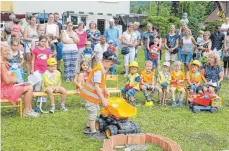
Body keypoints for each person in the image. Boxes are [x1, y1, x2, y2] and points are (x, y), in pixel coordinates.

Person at [80, 50, 117, 139]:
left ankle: (88, 127)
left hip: (92, 96)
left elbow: (101, 83)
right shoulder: (98, 71)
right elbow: (96, 86)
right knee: (93, 112)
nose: (111, 66)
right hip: (89, 96)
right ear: (106, 61)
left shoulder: (102, 69)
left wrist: (105, 89)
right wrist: (103, 99)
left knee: (95, 110)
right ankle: (93, 133)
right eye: (111, 64)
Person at [1, 43, 39, 118]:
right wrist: (15, 80)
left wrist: (12, 77)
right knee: (29, 88)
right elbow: (7, 81)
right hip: (5, 90)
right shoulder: (2, 64)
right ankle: (27, 111)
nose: (8, 52)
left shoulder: (4, 62)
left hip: (6, 87)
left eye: (8, 50)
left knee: (28, 85)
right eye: (5, 51)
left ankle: (29, 109)